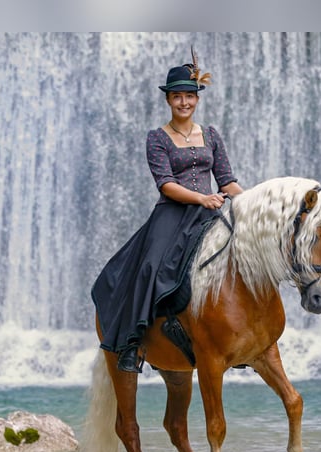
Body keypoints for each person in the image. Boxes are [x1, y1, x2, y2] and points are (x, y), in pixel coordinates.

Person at [91, 53, 243, 373]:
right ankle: (133, 342)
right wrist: (202, 198)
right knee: (148, 267)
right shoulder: (157, 138)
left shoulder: (212, 134)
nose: (184, 102)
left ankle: (245, 337)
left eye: (189, 96)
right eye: (177, 96)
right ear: (168, 99)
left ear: (196, 99)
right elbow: (166, 185)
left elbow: (226, 180)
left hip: (209, 212)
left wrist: (252, 201)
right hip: (172, 214)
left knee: (244, 254)